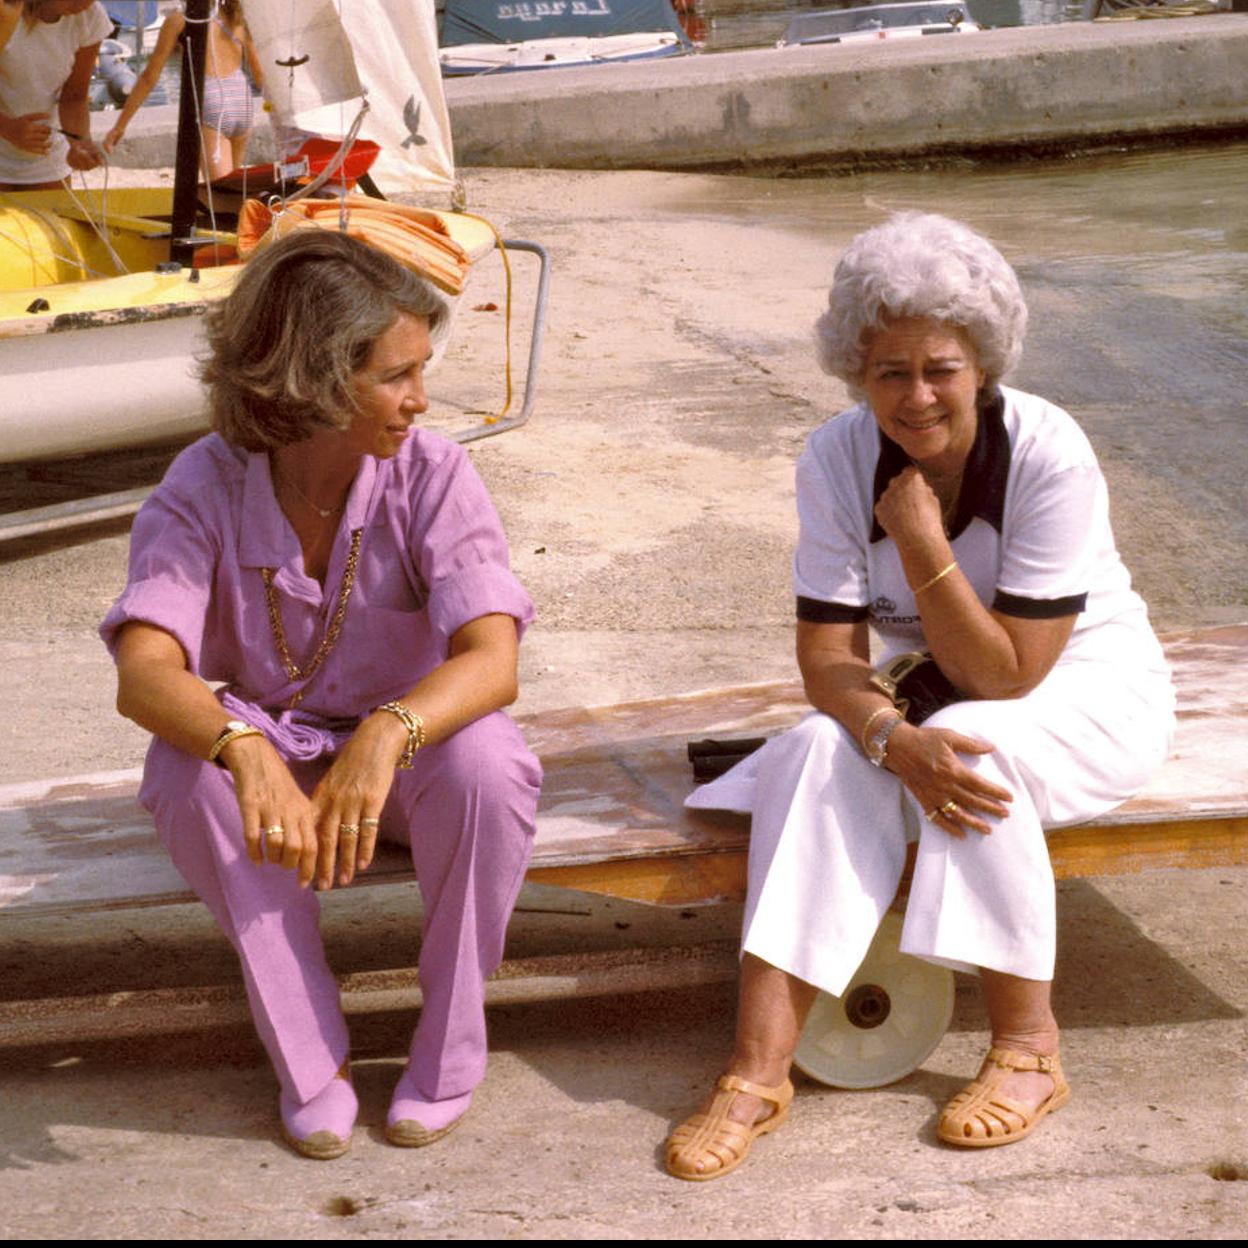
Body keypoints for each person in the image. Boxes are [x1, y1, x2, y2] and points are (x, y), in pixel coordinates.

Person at [665, 212, 1175, 1180]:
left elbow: (1009, 676)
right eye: (888, 372)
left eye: (941, 366)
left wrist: (920, 542)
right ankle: (756, 1071)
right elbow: (826, 658)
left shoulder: (1046, 450)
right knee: (821, 750)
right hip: (934, 697)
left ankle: (1029, 1050)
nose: (918, 395)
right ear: (856, 372)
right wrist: (888, 739)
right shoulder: (834, 457)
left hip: (1085, 688)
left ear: (983, 361)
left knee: (975, 734)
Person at [100, 228, 542, 1160]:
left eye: (422, 369)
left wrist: (387, 734)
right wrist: (243, 749)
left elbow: (492, 661)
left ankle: (449, 1052)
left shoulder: (434, 473)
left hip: (410, 763)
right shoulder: (201, 486)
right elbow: (145, 673)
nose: (421, 400)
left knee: (489, 763)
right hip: (280, 762)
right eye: (395, 376)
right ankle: (312, 1064)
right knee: (188, 778)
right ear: (315, 377)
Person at [102, 0, 262, 180]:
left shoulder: (180, 20)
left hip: (212, 100)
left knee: (221, 192)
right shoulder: (236, 16)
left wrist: (120, 125)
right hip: (242, 98)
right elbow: (260, 74)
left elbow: (149, 78)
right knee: (236, 189)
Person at [0, 0, 110, 190]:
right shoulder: (6, 11)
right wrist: (6, 128)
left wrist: (79, 142)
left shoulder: (91, 17)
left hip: (48, 161)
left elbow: (75, 96)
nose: (86, 3)